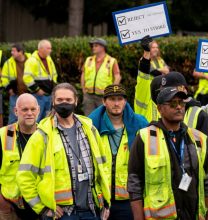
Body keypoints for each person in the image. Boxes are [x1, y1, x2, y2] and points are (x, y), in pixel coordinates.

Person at [16, 83, 110, 220]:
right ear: (53, 102)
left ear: (76, 101)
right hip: (62, 214)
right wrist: (42, 208)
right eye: (60, 100)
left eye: (68, 100)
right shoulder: (42, 135)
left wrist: (105, 202)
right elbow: (24, 176)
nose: (64, 103)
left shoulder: (90, 130)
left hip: (92, 210)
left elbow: (103, 167)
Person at [128, 87, 208, 220]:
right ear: (160, 109)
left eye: (182, 103)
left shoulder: (198, 138)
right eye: (173, 104)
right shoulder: (145, 137)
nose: (179, 107)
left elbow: (206, 179)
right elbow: (134, 183)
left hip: (192, 215)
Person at [89, 84, 148, 219]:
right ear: (104, 102)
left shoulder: (140, 125)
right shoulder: (91, 127)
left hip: (129, 200)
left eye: (120, 99)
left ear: (125, 101)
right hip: (100, 199)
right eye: (112, 99)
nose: (116, 103)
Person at [0, 94, 40, 220]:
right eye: (24, 109)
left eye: (33, 109)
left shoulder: (46, 135)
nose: (29, 113)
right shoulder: (4, 135)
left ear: (38, 110)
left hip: (40, 207)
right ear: (16, 111)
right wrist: (2, 202)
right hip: (10, 206)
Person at [81, 38, 121, 116]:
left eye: (96, 46)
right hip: (88, 96)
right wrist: (83, 90)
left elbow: (117, 77)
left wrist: (111, 92)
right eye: (92, 46)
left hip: (104, 96)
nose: (93, 48)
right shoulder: (89, 60)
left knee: (104, 118)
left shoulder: (111, 60)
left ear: (103, 47)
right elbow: (83, 75)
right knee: (89, 119)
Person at [134, 35, 168, 122]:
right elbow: (151, 71)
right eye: (153, 47)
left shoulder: (160, 60)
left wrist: (157, 70)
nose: (156, 49)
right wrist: (160, 71)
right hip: (146, 91)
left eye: (157, 47)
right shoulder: (144, 60)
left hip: (158, 90)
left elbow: (167, 72)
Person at [23, 39, 58, 121]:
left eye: (50, 48)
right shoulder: (32, 60)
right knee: (36, 118)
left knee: (47, 118)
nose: (50, 50)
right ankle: (34, 133)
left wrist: (54, 86)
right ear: (41, 49)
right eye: (48, 48)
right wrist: (37, 90)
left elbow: (54, 74)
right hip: (38, 96)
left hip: (49, 94)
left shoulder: (48, 59)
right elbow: (27, 78)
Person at [1, 43, 31, 124]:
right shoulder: (8, 63)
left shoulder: (31, 60)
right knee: (13, 119)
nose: (11, 53)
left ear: (20, 52)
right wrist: (9, 90)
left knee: (29, 118)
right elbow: (4, 78)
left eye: (13, 51)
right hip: (15, 95)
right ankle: (10, 137)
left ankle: (28, 135)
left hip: (30, 94)